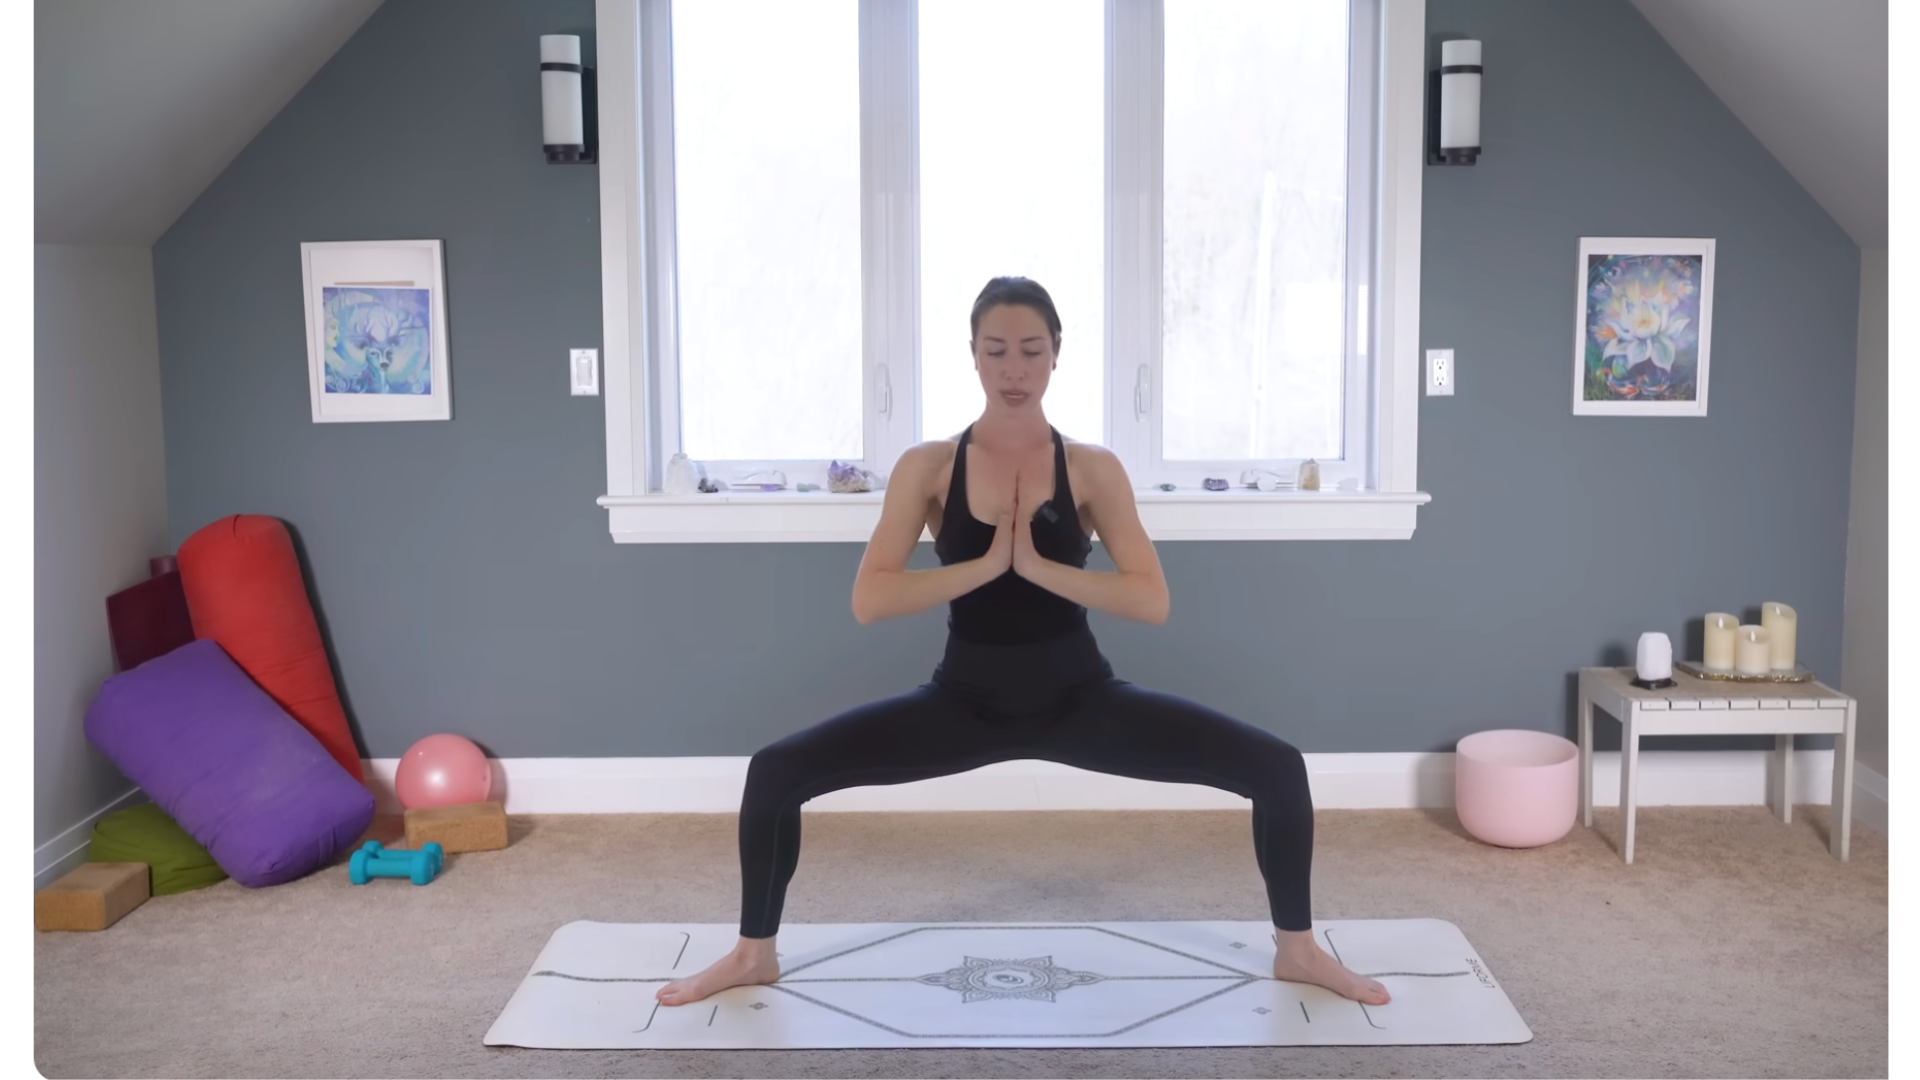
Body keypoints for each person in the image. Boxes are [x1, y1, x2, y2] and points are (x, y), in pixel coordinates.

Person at [657, 276, 1389, 1008]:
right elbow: (871, 597)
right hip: (961, 704)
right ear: (973, 358)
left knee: (1279, 767)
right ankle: (754, 954)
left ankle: (1296, 952)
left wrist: (1040, 567)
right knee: (775, 771)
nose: (1014, 369)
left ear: (1056, 357)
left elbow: (1150, 599)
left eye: (1031, 351)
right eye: (996, 350)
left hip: (1082, 700)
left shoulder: (1094, 468)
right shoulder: (931, 466)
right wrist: (984, 565)